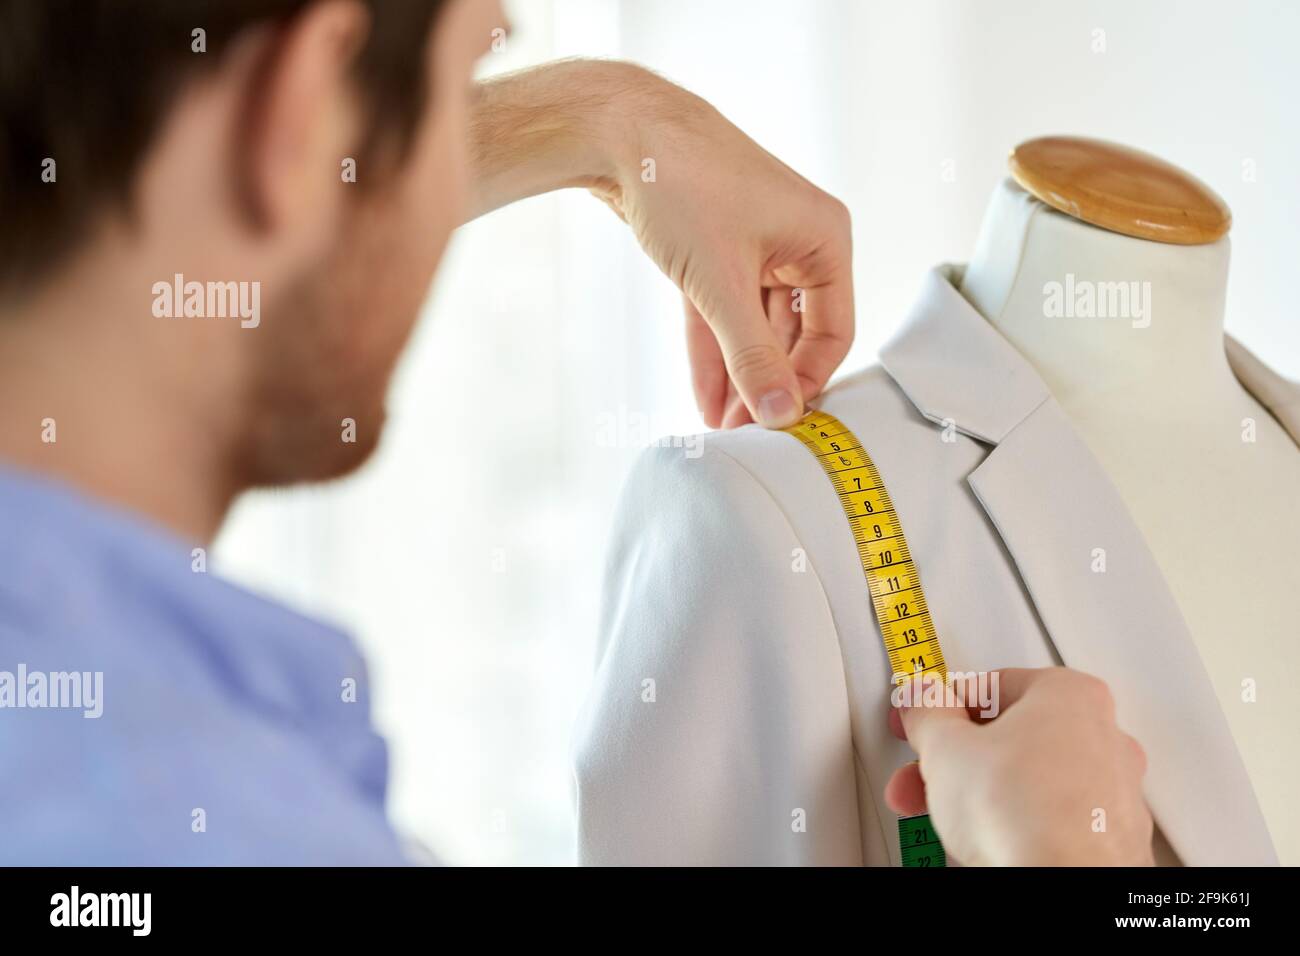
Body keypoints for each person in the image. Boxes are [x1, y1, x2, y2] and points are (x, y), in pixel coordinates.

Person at [0, 0, 1147, 865]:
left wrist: (607, 120)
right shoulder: (206, 820)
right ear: (298, 105)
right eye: (475, 71)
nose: (470, 129)